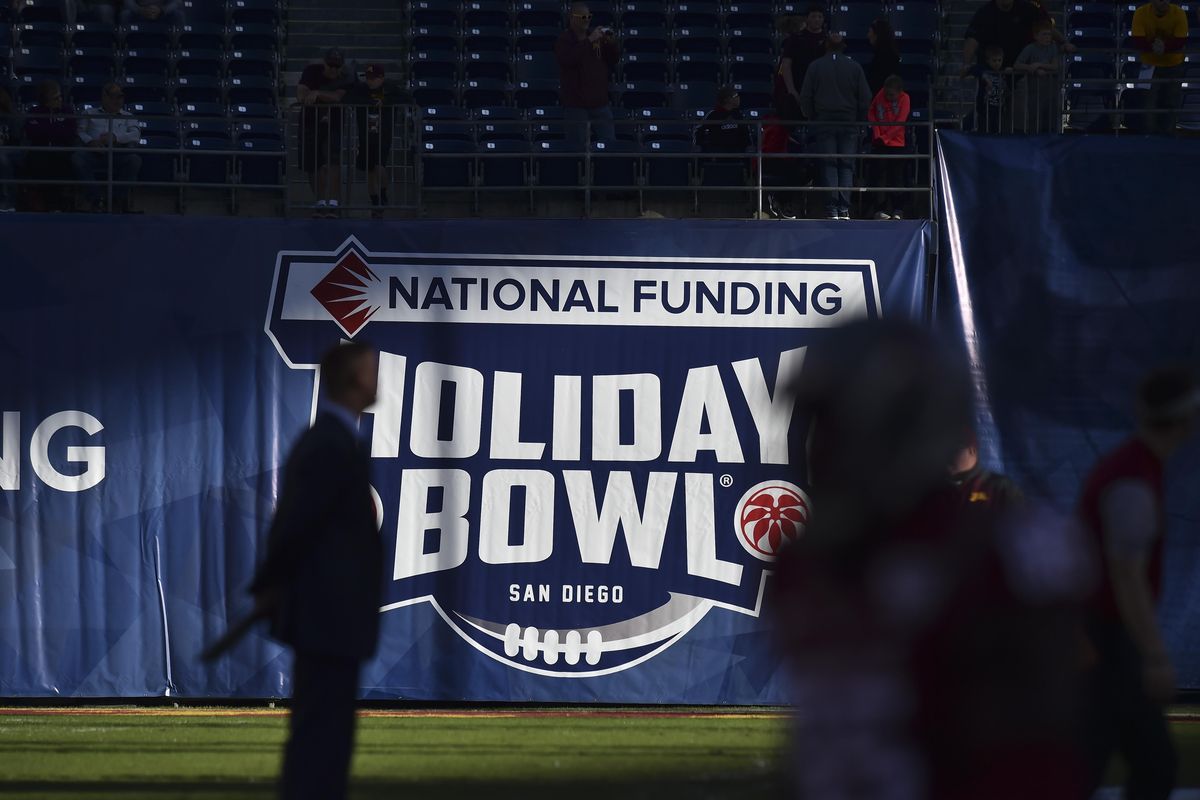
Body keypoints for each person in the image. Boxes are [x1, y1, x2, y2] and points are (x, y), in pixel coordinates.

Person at [772, 319, 1091, 800]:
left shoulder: (1004, 552)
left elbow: (1045, 741)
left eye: (835, 420)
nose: (820, 445)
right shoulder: (807, 562)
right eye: (817, 422)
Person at [249, 341, 384, 800]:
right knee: (320, 731)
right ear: (352, 379)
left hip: (339, 614)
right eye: (370, 371)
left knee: (330, 733)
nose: (376, 379)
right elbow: (293, 522)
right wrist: (271, 582)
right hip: (326, 613)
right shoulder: (327, 442)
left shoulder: (339, 439)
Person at [1078, 367, 1198, 800]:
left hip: (1105, 639)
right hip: (1109, 641)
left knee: (1139, 762)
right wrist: (1153, 656)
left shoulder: (1133, 469)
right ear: (1186, 420)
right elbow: (1125, 576)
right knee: (1148, 764)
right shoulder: (1132, 478)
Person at [799, 33, 871, 220]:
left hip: (824, 122)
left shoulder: (815, 67)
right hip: (848, 122)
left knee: (829, 165)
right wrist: (860, 119)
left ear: (826, 46)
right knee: (846, 165)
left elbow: (805, 96)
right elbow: (865, 97)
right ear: (843, 47)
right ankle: (844, 208)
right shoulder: (854, 67)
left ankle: (832, 209)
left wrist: (812, 116)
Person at [344, 64, 406, 220]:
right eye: (368, 78)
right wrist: (368, 102)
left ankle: (383, 193)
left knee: (379, 166)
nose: (370, 81)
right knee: (370, 169)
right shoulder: (361, 89)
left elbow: (406, 97)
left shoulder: (390, 87)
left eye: (373, 78)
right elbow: (348, 98)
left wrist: (385, 101)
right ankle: (375, 201)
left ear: (382, 78)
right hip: (365, 135)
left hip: (383, 134)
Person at [555, 2, 618, 150]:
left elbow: (613, 59)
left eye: (589, 16)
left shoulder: (596, 38)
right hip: (576, 107)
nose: (587, 19)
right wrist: (589, 41)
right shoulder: (564, 40)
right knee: (576, 149)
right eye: (583, 16)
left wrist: (611, 43)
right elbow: (569, 59)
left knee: (610, 146)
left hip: (600, 104)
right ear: (572, 18)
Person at [299, 48, 352, 218]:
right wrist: (324, 96)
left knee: (333, 161)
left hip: (334, 123)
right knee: (313, 164)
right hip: (309, 122)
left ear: (342, 66)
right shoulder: (311, 71)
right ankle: (320, 202)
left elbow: (338, 97)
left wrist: (317, 93)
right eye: (330, 65)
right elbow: (301, 96)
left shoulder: (347, 76)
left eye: (337, 66)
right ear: (324, 63)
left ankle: (334, 203)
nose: (333, 69)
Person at [73, 81, 142, 213]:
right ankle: (96, 199)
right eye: (114, 96)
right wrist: (90, 142)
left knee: (134, 160)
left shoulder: (128, 117)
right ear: (104, 97)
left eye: (120, 96)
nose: (118, 100)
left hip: (118, 153)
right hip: (94, 153)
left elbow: (135, 135)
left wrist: (116, 137)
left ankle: (116, 199)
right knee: (77, 158)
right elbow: (80, 131)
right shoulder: (89, 113)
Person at [960, 0, 1066, 74]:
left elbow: (1045, 26)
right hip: (990, 74)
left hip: (1019, 74)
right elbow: (972, 40)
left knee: (1019, 105)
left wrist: (1063, 42)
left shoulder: (1026, 8)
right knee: (988, 105)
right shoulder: (984, 13)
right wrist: (966, 64)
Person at [1131, 0, 1189, 134]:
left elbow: (1181, 40)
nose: (1163, 2)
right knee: (1147, 102)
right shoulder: (1141, 12)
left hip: (1173, 63)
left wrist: (1164, 47)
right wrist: (1155, 46)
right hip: (1148, 64)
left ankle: (1168, 136)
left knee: (1171, 102)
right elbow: (1137, 39)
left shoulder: (1179, 13)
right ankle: (1149, 137)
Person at [22, 80, 78, 212]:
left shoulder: (67, 110)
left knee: (60, 162)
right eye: (55, 98)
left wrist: (47, 129)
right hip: (39, 151)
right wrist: (56, 129)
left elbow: (70, 133)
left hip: (62, 151)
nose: (60, 100)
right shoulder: (34, 111)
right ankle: (43, 202)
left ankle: (55, 203)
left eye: (60, 96)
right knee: (38, 161)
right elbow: (31, 132)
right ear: (45, 100)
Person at [866, 74, 910, 220]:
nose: (888, 97)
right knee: (880, 177)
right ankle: (880, 208)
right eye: (886, 93)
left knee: (897, 177)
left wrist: (886, 137)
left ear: (900, 92)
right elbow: (872, 112)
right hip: (879, 143)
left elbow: (901, 121)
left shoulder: (905, 99)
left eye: (892, 95)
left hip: (897, 144)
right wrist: (877, 133)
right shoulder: (880, 94)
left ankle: (898, 209)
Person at [774, 6, 828, 121]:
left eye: (820, 16)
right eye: (813, 16)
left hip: (820, 91)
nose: (817, 19)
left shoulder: (827, 40)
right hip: (798, 87)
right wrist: (791, 90)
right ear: (807, 19)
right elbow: (786, 65)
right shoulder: (795, 39)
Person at [1013, 20, 1062, 133]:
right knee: (1034, 119)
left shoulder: (1053, 47)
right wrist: (1032, 69)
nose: (1047, 37)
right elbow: (1017, 64)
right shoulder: (1030, 48)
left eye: (1049, 34)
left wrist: (1039, 65)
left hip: (1051, 91)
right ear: (1035, 36)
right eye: (1044, 34)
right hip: (1034, 92)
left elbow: (1055, 66)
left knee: (1050, 120)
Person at [695, 86, 752, 154]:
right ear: (726, 99)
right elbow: (699, 131)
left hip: (736, 150)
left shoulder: (738, 115)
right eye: (735, 96)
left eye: (738, 96)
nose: (738, 98)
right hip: (717, 151)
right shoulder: (713, 115)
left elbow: (745, 133)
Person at [969, 45, 1011, 133]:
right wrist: (984, 76)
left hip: (999, 107)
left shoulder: (1002, 72)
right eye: (994, 60)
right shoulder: (983, 69)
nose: (997, 63)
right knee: (984, 129)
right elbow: (973, 69)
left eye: (999, 60)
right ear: (988, 60)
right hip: (985, 107)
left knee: (997, 129)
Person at [865, 17, 901, 96]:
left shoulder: (882, 58)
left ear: (877, 34)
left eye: (870, 32)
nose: (868, 35)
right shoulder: (890, 54)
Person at [0, 86, 22, 213]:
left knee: (2, 157)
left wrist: (4, 142)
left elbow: (16, 140)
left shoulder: (10, 117)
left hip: (12, 150)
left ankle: (7, 203)